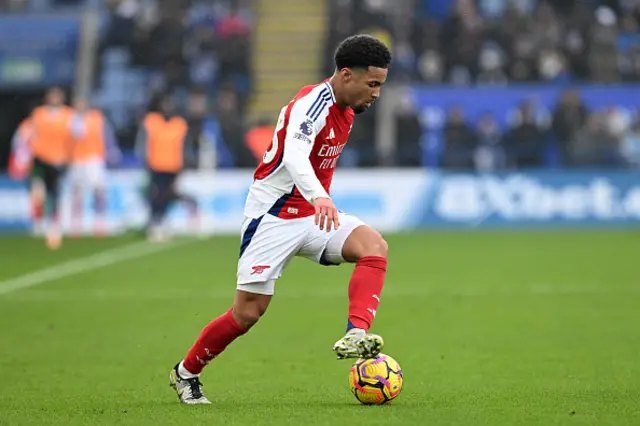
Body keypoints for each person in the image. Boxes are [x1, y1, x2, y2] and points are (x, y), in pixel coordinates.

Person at [169, 34, 392, 404]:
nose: (377, 94)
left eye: (381, 85)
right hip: (272, 217)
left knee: (374, 246)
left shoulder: (348, 110)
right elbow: (294, 155)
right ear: (347, 75)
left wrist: (317, 200)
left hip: (313, 214)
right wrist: (319, 195)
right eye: (373, 84)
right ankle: (185, 373)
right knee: (247, 313)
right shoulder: (312, 103)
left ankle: (356, 333)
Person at [136, 94, 199, 242]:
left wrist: (186, 162)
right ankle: (155, 223)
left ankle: (161, 222)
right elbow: (143, 143)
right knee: (156, 196)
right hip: (155, 166)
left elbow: (185, 146)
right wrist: (144, 161)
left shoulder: (179, 124)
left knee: (168, 196)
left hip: (173, 167)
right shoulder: (151, 121)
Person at [28, 87, 74, 249]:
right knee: (38, 190)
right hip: (41, 158)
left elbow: (73, 136)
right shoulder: (39, 113)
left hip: (59, 160)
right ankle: (38, 221)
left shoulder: (68, 114)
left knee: (55, 192)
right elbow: (31, 135)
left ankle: (54, 225)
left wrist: (67, 156)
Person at [67, 97, 120, 237]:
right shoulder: (70, 119)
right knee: (77, 192)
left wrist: (111, 151)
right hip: (76, 159)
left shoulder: (97, 118)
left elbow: (107, 136)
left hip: (94, 159)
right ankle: (76, 223)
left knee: (99, 190)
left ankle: (100, 221)